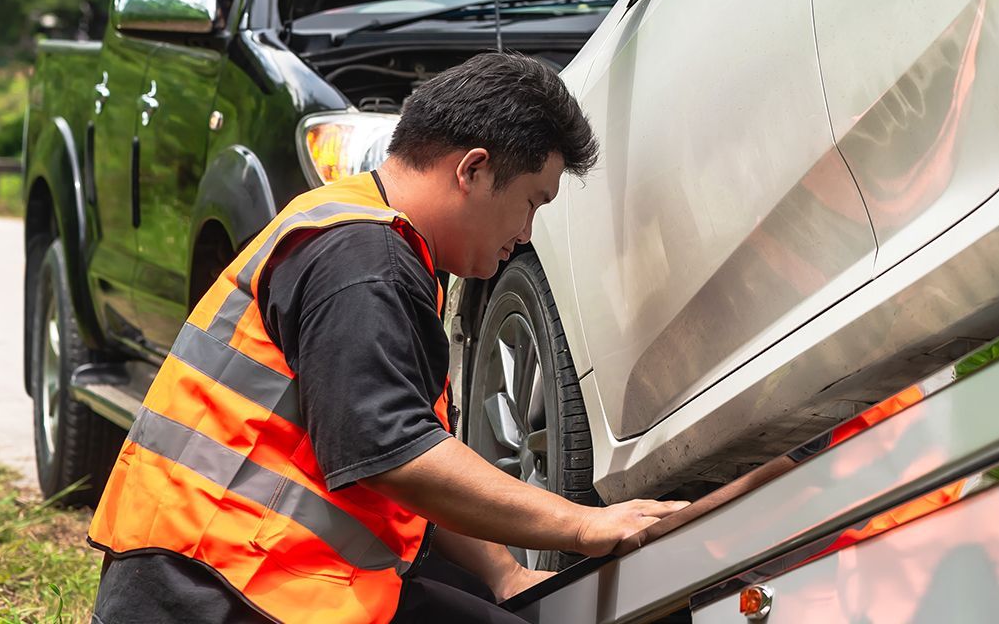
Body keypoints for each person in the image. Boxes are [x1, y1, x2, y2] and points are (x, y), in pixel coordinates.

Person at [88, 52, 686, 623]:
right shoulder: (364, 259)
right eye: (532, 202)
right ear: (473, 170)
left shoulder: (370, 238)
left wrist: (504, 575)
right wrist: (578, 524)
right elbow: (389, 449)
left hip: (253, 578)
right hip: (219, 588)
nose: (526, 234)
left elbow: (411, 452)